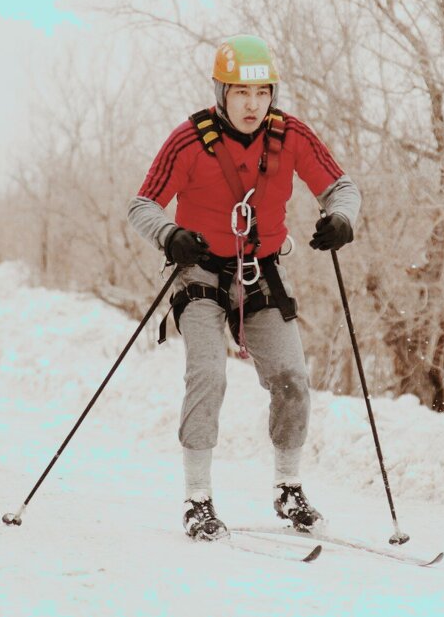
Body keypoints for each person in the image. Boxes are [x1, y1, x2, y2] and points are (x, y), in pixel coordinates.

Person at [128, 34, 361, 541]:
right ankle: (198, 499)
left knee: (293, 378)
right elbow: (142, 205)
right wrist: (169, 234)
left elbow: (341, 188)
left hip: (261, 274)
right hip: (201, 276)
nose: (253, 104)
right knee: (209, 374)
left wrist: (342, 218)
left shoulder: (290, 134)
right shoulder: (188, 141)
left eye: (262, 93)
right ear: (221, 93)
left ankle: (288, 486)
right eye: (241, 93)